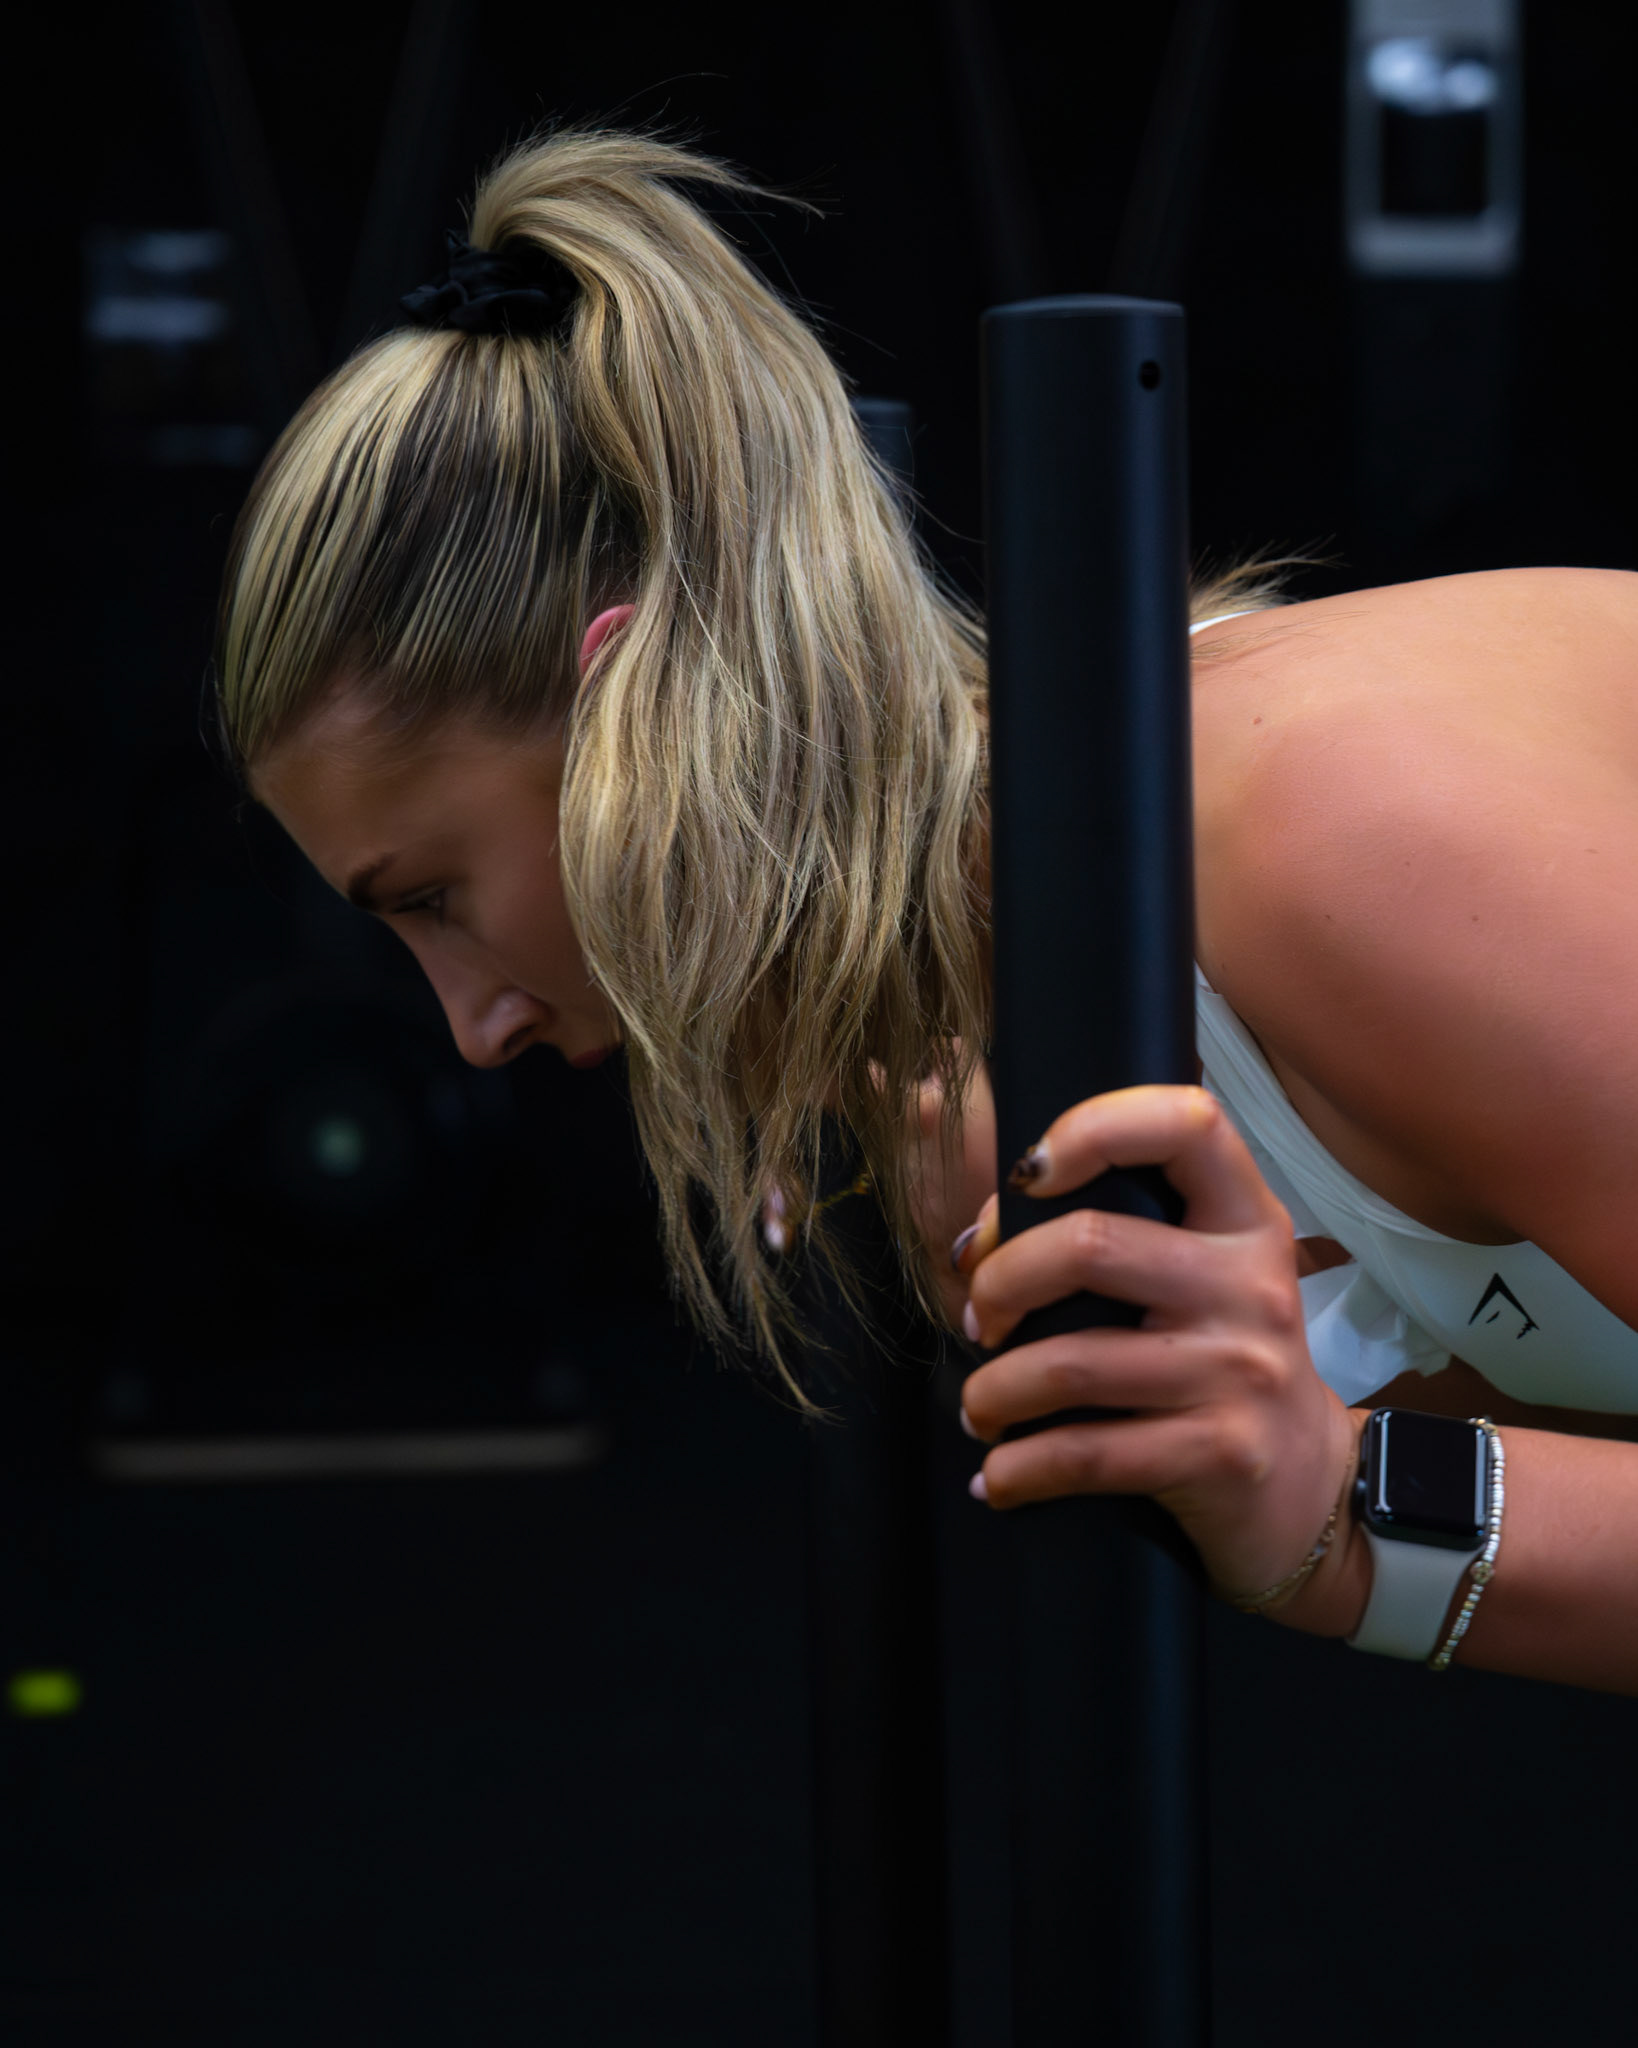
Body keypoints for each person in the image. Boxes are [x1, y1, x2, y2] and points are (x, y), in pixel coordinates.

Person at [219, 129, 1638, 1695]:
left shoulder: (1329, 836)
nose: (471, 1030)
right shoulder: (981, 1095)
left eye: (434, 898)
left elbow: (1368, 1505)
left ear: (636, 708)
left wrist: (1340, 1504)